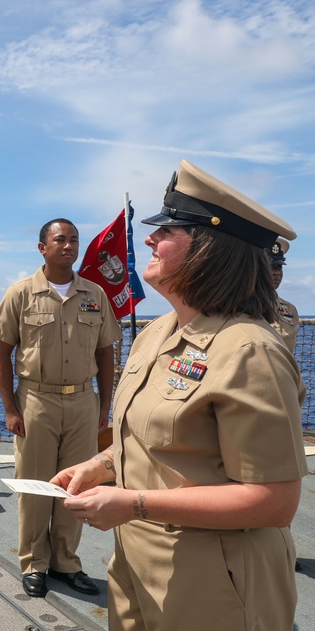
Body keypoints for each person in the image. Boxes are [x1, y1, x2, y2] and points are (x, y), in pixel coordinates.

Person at [51, 159, 305, 631]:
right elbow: (155, 440)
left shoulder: (249, 350)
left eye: (166, 230)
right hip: (137, 563)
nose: (149, 238)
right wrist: (100, 466)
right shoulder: (157, 333)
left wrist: (133, 504)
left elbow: (274, 501)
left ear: (208, 249)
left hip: (214, 578)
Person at [0, 218, 121, 599]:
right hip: (36, 400)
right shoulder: (21, 294)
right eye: (59, 240)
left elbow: (106, 352)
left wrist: (104, 405)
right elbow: (1, 351)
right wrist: (11, 409)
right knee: (35, 487)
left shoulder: (94, 294)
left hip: (82, 401)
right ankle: (34, 563)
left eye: (73, 240)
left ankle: (65, 561)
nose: (68, 246)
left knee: (77, 487)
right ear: (42, 247)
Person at [269, 237, 300, 354]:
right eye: (271, 266)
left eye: (279, 267)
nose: (276, 272)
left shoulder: (290, 309)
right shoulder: (243, 305)